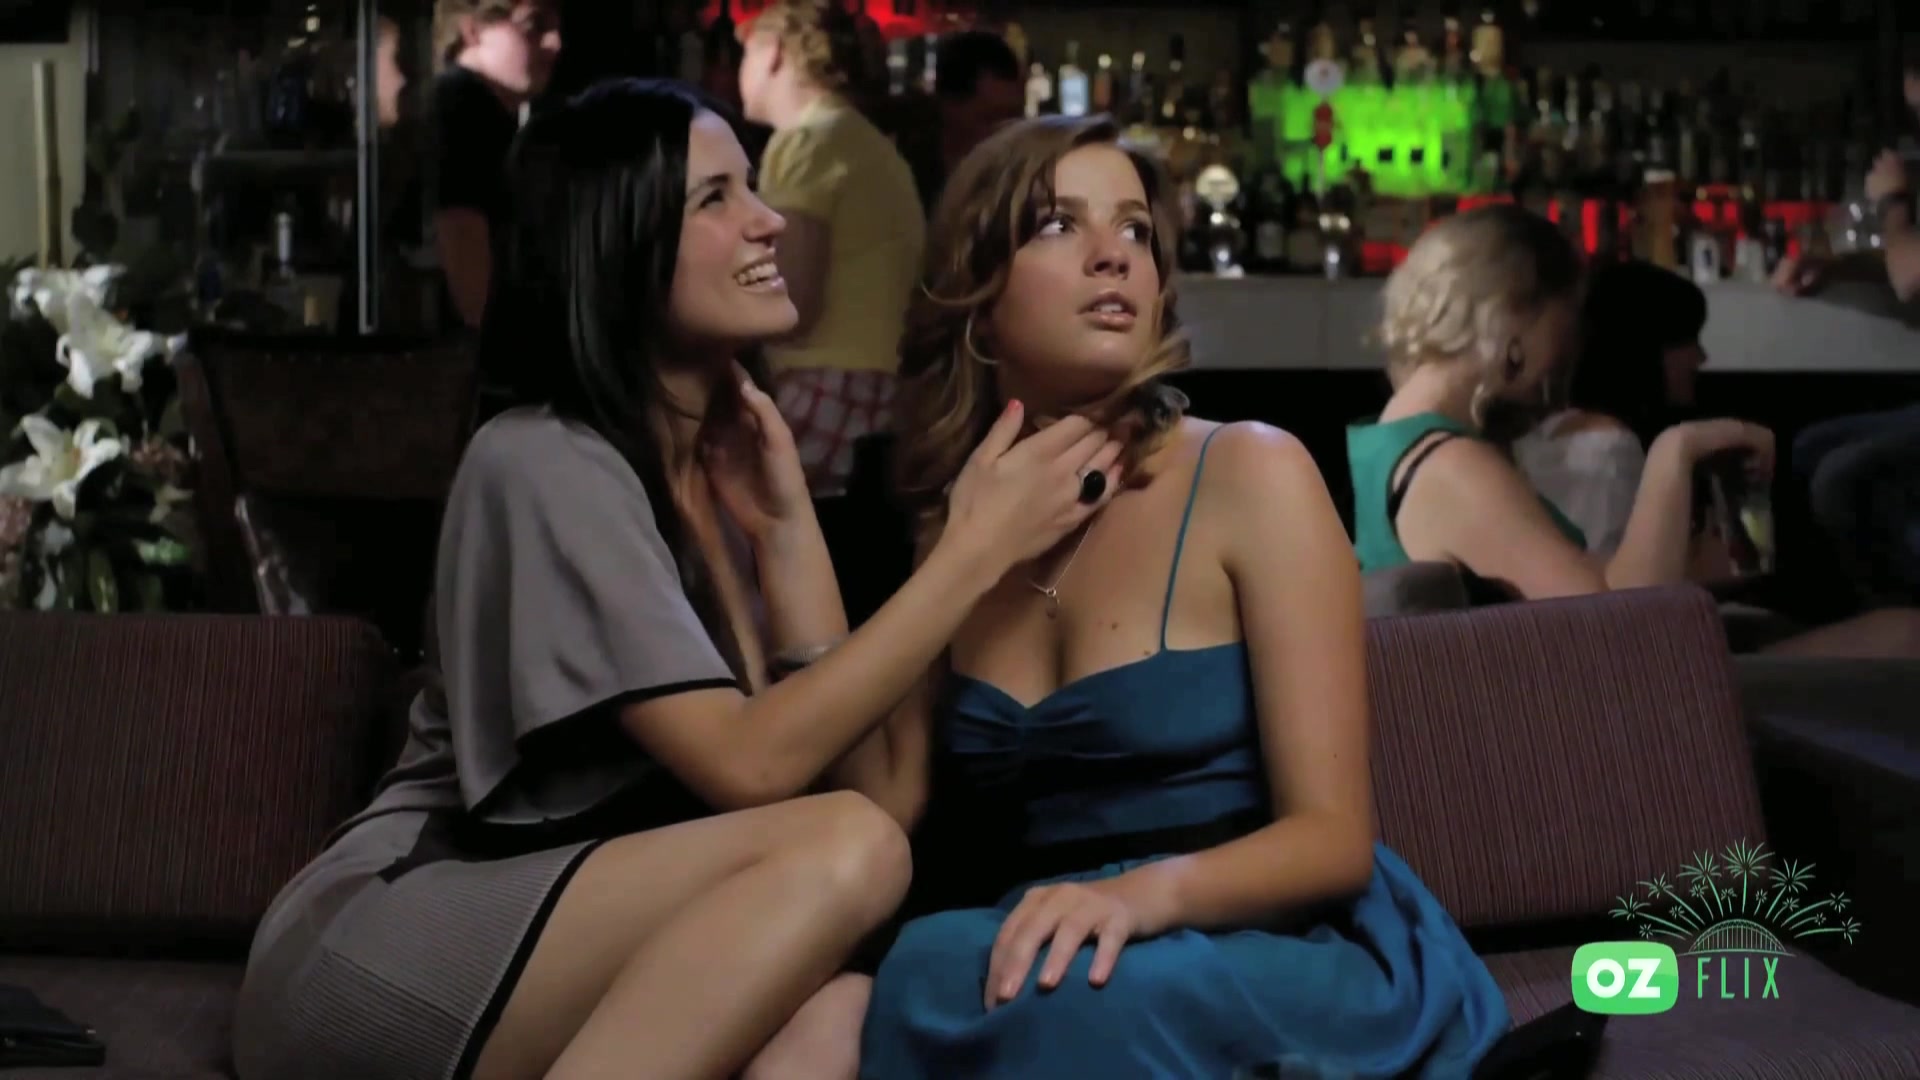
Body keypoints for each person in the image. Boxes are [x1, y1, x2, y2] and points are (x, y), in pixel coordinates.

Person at [230, 79, 1127, 1080]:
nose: (768, 221)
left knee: (839, 1018)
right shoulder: (541, 459)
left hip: (559, 935)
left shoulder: (722, 474)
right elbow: (758, 773)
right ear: (616, 246)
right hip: (389, 934)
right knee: (847, 849)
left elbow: (877, 797)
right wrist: (974, 551)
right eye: (715, 198)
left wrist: (786, 533)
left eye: (753, 188)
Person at [844, 114, 1509, 1079]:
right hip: (1050, 952)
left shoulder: (1253, 472)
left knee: (1077, 999)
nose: (1113, 255)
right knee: (898, 977)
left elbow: (1333, 843)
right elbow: (883, 811)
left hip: (1260, 943)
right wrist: (781, 538)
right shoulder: (954, 528)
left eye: (1135, 230)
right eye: (1059, 225)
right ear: (978, 299)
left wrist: (1132, 900)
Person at [1347, 205, 1793, 610]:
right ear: (1513, 316)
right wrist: (1676, 450)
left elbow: (1590, 586)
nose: (1564, 354)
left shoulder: (1394, 440)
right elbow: (1619, 623)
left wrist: (1686, 564)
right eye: (1563, 323)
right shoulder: (1452, 465)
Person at [1513, 260, 1920, 656]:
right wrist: (1703, 570)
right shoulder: (1605, 449)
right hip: (1654, 667)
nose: (1701, 357)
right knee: (1904, 633)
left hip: (1677, 640)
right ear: (1646, 348)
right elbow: (1616, 619)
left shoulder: (1568, 433)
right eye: (1688, 340)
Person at [737, 0, 925, 499]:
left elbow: (791, 301)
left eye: (745, 54)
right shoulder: (862, 139)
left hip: (830, 390)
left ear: (775, 53)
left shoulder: (808, 141)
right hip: (880, 397)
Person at [428, 0, 561, 334]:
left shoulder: (481, 109)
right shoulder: (463, 106)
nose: (554, 42)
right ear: (472, 30)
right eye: (533, 25)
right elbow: (462, 232)